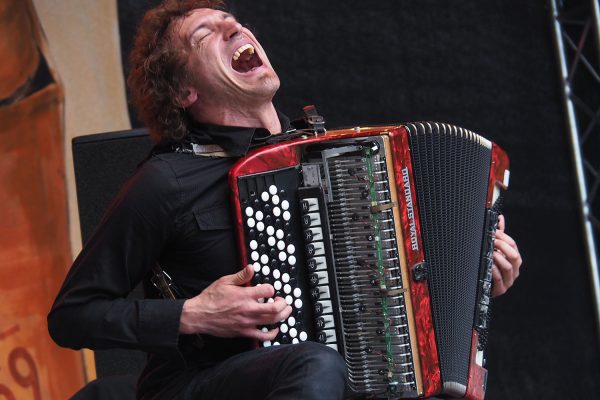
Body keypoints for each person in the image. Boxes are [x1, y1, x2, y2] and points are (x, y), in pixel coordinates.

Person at [48, 1, 523, 399]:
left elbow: (402, 284)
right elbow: (73, 316)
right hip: (197, 385)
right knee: (316, 364)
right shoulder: (166, 181)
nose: (233, 26)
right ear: (185, 91)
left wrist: (479, 276)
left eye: (231, 20)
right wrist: (192, 314)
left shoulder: (341, 160)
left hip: (329, 380)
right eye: (204, 34)